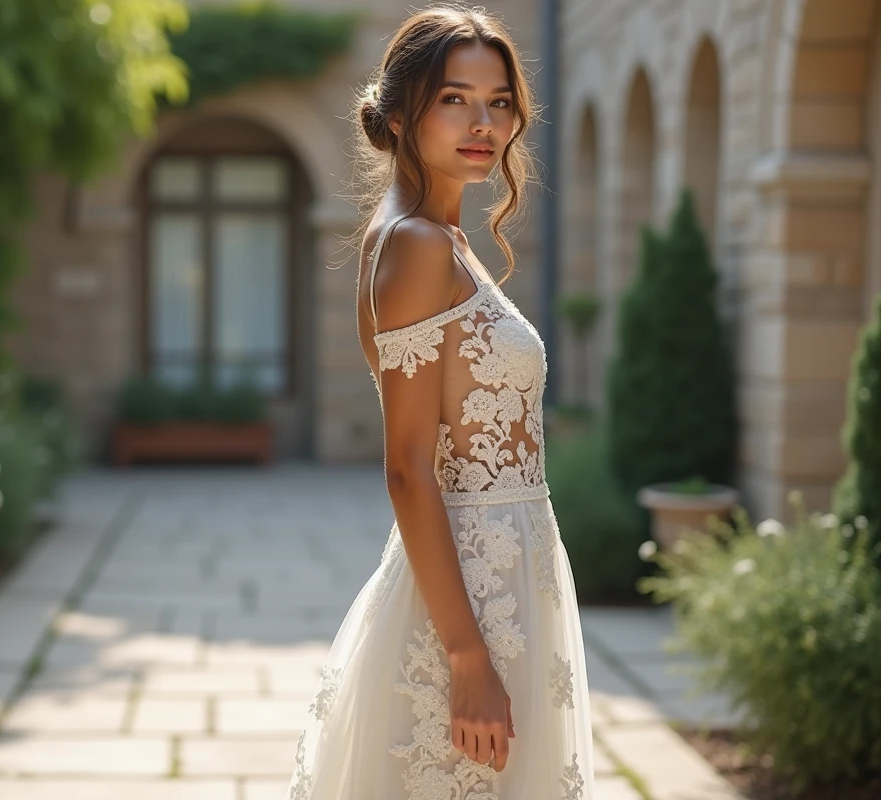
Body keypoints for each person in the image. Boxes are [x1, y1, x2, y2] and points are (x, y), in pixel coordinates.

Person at [286, 5, 595, 798]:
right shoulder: (417, 246)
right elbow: (406, 468)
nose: (483, 121)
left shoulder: (442, 242)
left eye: (498, 101)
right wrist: (466, 656)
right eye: (455, 98)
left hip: (506, 571)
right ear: (400, 112)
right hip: (471, 591)